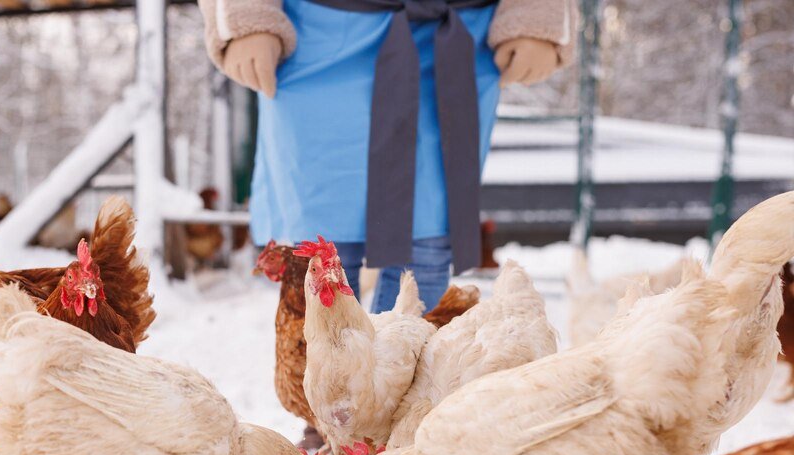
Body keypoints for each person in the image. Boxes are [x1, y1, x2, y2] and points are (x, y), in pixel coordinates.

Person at [199, 0, 576, 311]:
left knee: (427, 243)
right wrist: (243, 15)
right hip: (316, 41)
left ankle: (404, 392)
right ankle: (330, 395)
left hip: (454, 37)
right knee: (323, 249)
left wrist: (539, 11)